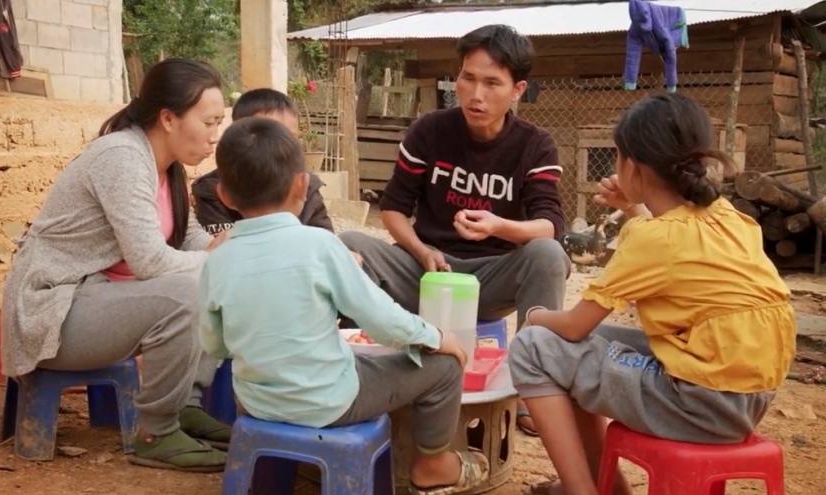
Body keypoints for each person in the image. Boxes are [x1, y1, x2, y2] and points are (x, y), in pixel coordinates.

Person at [508, 93, 796, 495]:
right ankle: (603, 485)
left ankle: (581, 490)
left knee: (534, 346)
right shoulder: (728, 216)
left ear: (634, 167)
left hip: (698, 405)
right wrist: (631, 207)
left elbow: (573, 327)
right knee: (574, 350)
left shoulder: (653, 238)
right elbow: (668, 246)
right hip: (746, 399)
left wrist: (536, 314)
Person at [198, 117, 491, 495]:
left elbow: (214, 345)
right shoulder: (320, 246)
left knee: (351, 360)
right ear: (302, 184)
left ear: (224, 195)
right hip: (330, 403)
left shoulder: (217, 260)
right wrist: (437, 337)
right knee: (445, 366)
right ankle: (433, 464)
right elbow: (383, 321)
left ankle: (270, 477)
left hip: (257, 404)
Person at [0, 58, 234, 472]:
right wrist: (211, 261)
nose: (216, 136)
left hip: (91, 298)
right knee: (188, 290)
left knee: (214, 277)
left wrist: (228, 246)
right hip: (50, 310)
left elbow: (187, 237)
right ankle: (156, 432)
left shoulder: (168, 168)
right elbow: (149, 260)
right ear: (168, 118)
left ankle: (184, 407)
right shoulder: (123, 158)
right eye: (210, 122)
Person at [338, 24, 570, 437]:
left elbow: (548, 226)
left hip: (492, 278)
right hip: (428, 271)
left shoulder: (536, 145)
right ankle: (346, 373)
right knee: (350, 245)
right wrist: (422, 250)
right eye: (467, 78)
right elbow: (393, 210)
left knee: (548, 255)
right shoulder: (430, 131)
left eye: (492, 83)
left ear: (518, 90)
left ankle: (534, 390)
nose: (476, 94)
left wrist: (500, 226)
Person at [191, 88, 333, 235]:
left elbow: (325, 235)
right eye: (269, 138)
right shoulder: (213, 190)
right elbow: (220, 247)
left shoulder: (305, 184)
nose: (281, 147)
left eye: (290, 138)